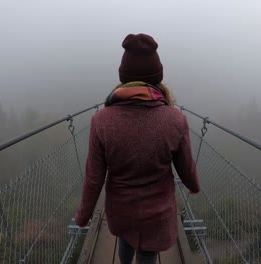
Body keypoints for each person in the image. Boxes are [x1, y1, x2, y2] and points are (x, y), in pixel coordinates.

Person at [75, 33, 200, 264]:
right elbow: (185, 168)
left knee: (125, 237)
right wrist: (193, 185)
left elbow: (94, 178)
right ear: (157, 76)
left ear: (123, 76)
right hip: (158, 212)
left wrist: (83, 216)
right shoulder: (175, 120)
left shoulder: (101, 120)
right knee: (147, 253)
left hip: (120, 209)